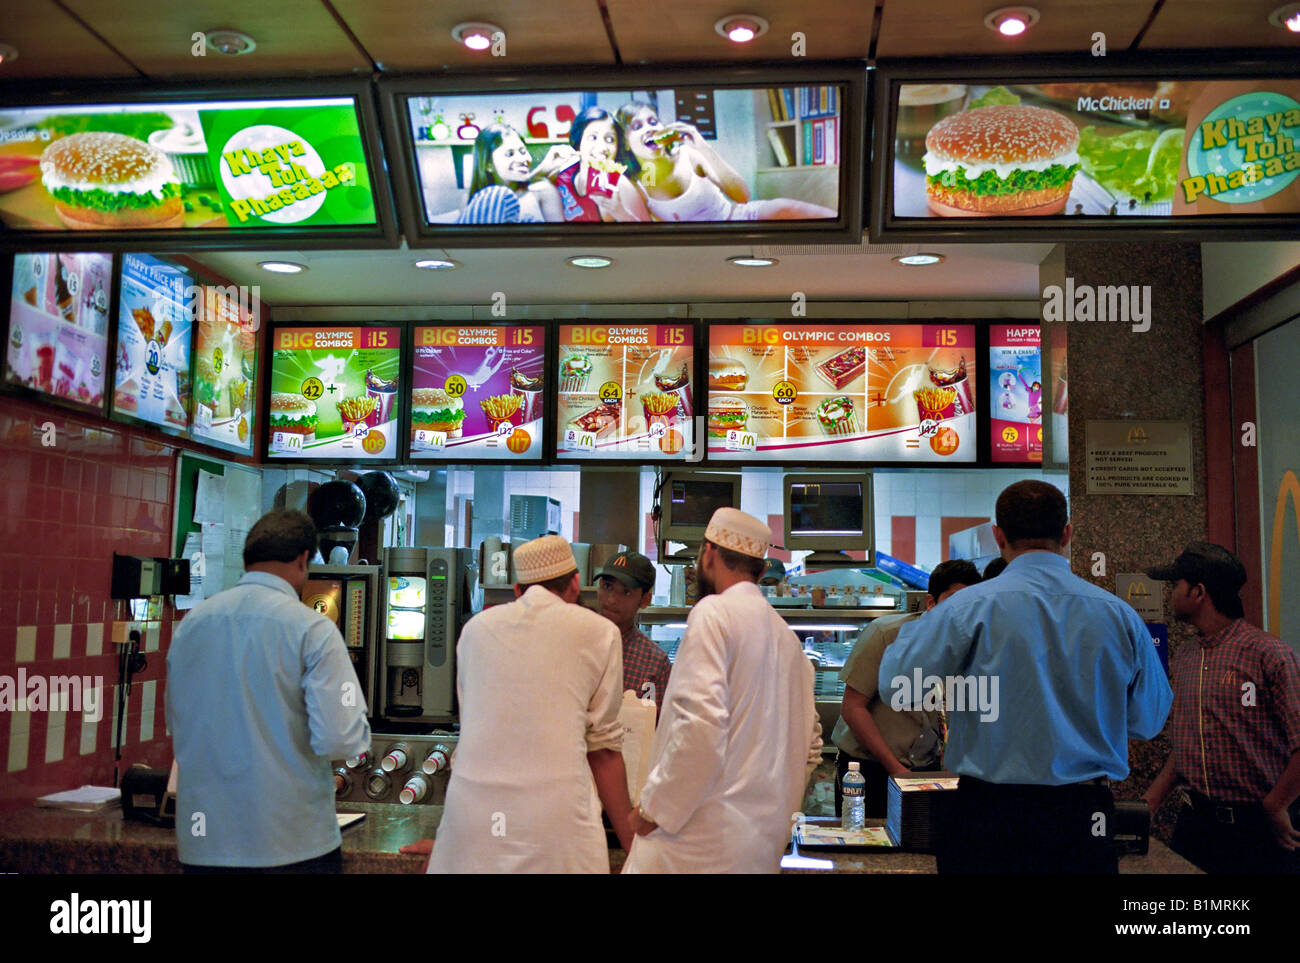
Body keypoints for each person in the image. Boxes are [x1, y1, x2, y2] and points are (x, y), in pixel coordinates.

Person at [879, 480, 1172, 874]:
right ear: (1067, 533)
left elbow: (899, 687)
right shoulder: (1120, 616)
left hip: (987, 813)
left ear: (998, 535)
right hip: (1083, 815)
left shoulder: (964, 609)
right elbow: (1148, 721)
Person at [165, 509, 370, 873]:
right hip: (291, 845)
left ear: (249, 559)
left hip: (204, 847)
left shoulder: (192, 624)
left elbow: (179, 722)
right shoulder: (312, 629)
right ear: (304, 559)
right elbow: (340, 739)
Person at [622, 508, 823, 874]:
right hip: (758, 853)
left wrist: (653, 810)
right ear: (761, 572)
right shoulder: (791, 644)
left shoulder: (713, 614)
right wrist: (770, 821)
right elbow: (811, 749)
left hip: (691, 849)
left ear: (708, 555)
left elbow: (699, 728)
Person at [428, 535, 634, 873]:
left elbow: (476, 730)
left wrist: (450, 839)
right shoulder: (600, 632)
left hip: (475, 820)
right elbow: (603, 750)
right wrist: (633, 846)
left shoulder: (475, 631)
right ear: (575, 583)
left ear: (517, 591)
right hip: (556, 824)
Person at [1141, 542, 1300, 874]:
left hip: (1258, 831)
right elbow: (1188, 744)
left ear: (1199, 592)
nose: (1171, 594)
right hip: (1197, 826)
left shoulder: (1269, 655)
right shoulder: (1186, 657)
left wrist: (1276, 804)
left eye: (1176, 586)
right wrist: (1149, 803)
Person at [832, 559, 981, 818]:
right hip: (871, 769)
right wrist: (896, 770)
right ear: (931, 602)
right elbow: (853, 708)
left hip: (929, 771)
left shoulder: (972, 646)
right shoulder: (887, 635)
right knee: (870, 852)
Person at [615, 102, 838, 222]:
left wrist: (702, 146)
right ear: (626, 143)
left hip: (738, 219)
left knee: (789, 209)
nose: (650, 128)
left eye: (653, 121)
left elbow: (742, 196)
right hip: (699, 255)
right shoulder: (635, 186)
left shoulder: (689, 155)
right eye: (637, 126)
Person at [594, 549, 672, 718]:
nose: (612, 599)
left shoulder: (655, 663)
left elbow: (658, 728)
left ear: (645, 600)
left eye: (626, 592)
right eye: (607, 587)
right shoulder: (577, 642)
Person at [548, 106, 651, 223]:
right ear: (579, 142)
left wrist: (621, 214)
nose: (602, 147)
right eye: (593, 137)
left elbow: (648, 234)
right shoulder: (562, 173)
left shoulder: (621, 185)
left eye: (610, 139)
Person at [458, 123, 566, 223]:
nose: (522, 159)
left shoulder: (543, 191)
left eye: (523, 151)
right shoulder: (471, 200)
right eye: (510, 154)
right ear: (488, 165)